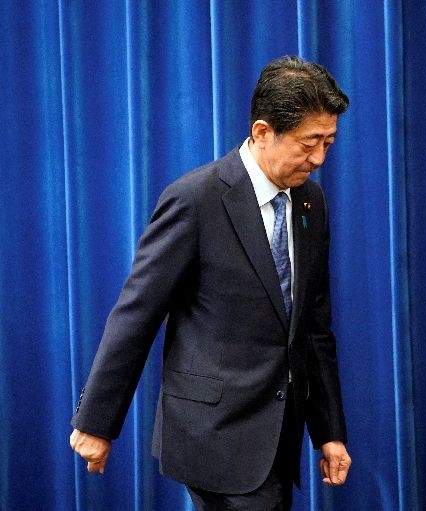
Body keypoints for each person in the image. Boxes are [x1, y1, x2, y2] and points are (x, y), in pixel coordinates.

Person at [70, 56, 352, 510]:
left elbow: (313, 328)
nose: (319, 158)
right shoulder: (195, 199)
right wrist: (97, 421)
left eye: (328, 142)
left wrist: (329, 432)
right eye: (309, 143)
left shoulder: (310, 203)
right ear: (262, 132)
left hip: (279, 436)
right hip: (214, 435)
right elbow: (137, 313)